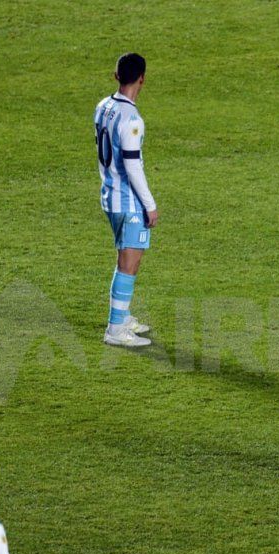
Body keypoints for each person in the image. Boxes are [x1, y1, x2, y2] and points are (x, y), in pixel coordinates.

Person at [94, 52, 159, 347]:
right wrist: (150, 204)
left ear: (116, 75)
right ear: (142, 79)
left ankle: (123, 315)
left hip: (109, 195)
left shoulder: (103, 107)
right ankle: (116, 330)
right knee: (128, 262)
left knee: (128, 257)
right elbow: (132, 165)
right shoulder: (132, 118)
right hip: (127, 200)